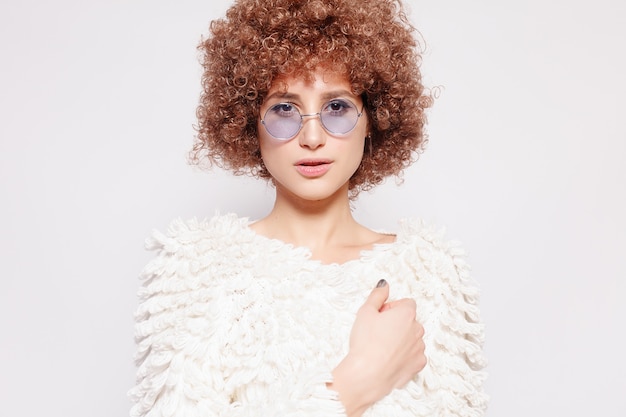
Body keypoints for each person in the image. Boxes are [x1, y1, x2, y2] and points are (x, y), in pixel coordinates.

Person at [129, 0, 488, 416]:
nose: (312, 136)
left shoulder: (432, 274)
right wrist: (358, 382)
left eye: (337, 107)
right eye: (284, 109)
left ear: (373, 119)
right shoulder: (197, 271)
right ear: (249, 122)